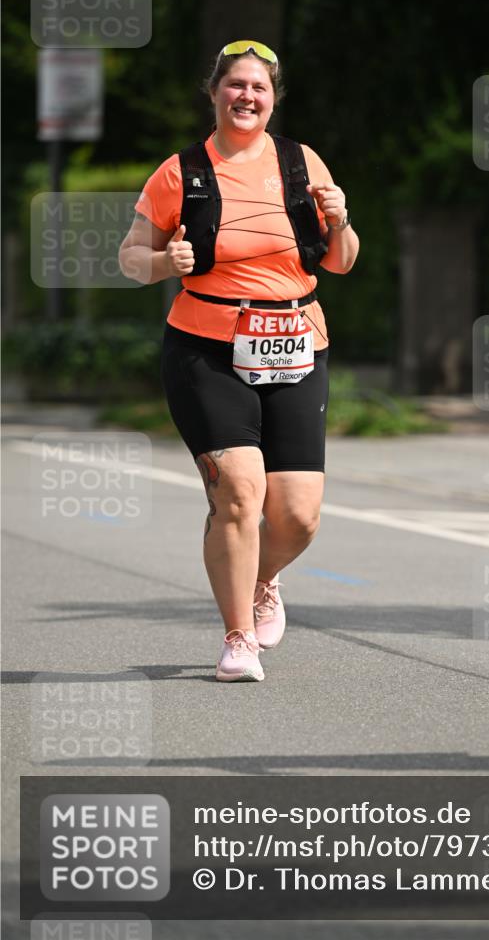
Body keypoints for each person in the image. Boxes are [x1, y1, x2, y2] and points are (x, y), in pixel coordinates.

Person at [119, 40, 359, 683]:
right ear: (215, 92)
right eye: (235, 86)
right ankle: (238, 639)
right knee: (239, 494)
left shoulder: (300, 161)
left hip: (296, 342)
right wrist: (163, 262)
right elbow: (130, 257)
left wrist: (340, 221)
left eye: (259, 88)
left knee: (299, 515)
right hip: (206, 348)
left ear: (273, 98)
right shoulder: (181, 172)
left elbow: (339, 261)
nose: (246, 97)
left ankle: (263, 578)